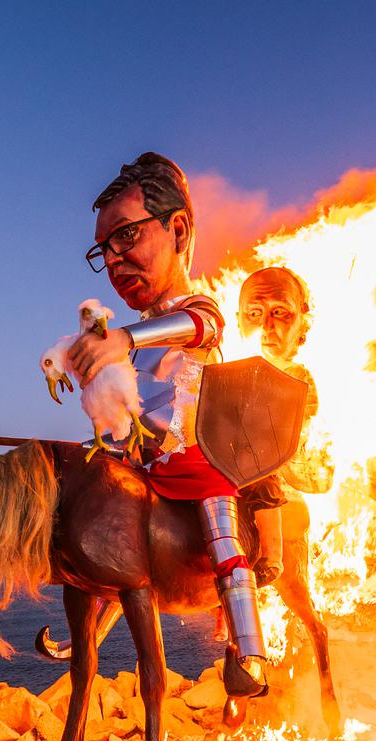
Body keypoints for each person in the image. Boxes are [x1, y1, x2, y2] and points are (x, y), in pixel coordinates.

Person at [65, 151, 269, 696]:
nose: (113, 261)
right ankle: (80, 639)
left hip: (196, 456)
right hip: (142, 459)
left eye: (126, 237)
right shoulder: (129, 344)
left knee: (223, 535)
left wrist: (126, 338)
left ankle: (249, 650)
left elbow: (203, 324)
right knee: (109, 537)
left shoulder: (193, 309)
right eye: (103, 250)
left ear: (177, 228)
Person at [236, 266, 324, 583]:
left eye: (280, 313)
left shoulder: (299, 378)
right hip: (233, 471)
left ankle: (272, 553)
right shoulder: (236, 373)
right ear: (239, 320)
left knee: (262, 473)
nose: (266, 327)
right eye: (255, 314)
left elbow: (302, 448)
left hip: (270, 474)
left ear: (302, 320)